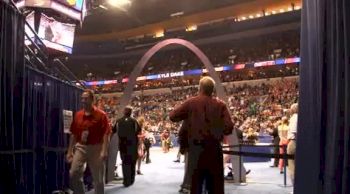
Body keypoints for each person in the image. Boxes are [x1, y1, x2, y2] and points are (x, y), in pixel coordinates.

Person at [169, 76, 234, 194]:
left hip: (196, 151)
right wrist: (216, 130)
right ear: (212, 90)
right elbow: (229, 127)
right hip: (214, 149)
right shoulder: (220, 105)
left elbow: (172, 116)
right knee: (216, 187)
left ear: (200, 88)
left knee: (196, 186)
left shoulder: (191, 103)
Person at [66, 89, 111, 194]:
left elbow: (106, 133)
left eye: (85, 98)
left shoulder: (101, 115)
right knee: (74, 173)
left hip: (96, 148)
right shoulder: (78, 115)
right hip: (81, 147)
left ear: (92, 100)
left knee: (98, 179)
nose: (83, 101)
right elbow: (73, 134)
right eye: (82, 98)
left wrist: (104, 151)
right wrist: (69, 151)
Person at [114, 106, 141, 187]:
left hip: (122, 145)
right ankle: (131, 179)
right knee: (132, 162)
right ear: (131, 112)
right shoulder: (134, 121)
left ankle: (126, 181)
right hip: (132, 145)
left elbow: (113, 130)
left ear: (124, 112)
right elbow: (138, 131)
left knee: (125, 162)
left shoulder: (118, 121)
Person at [287, 103, 298, 185]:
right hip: (298, 142)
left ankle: (294, 187)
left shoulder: (294, 118)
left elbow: (294, 131)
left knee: (292, 165)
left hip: (293, 142)